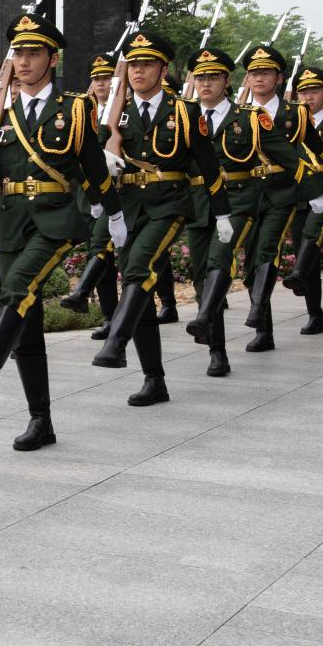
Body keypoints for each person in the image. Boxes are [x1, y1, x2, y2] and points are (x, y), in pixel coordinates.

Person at [0, 12, 124, 450]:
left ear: (52, 58)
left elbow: (93, 168)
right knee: (26, 322)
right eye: (18, 53)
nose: (24, 61)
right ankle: (40, 420)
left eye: (33, 53)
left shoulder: (76, 108)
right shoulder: (1, 113)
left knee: (17, 287)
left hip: (56, 220)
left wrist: (115, 215)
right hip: (13, 223)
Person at [90, 31, 228, 407]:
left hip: (169, 205)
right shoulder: (115, 113)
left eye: (147, 64)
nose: (138, 71)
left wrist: (223, 213)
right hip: (128, 208)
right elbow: (91, 158)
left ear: (163, 70)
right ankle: (154, 380)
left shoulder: (185, 112)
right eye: (133, 64)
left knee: (139, 266)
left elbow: (209, 167)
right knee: (140, 287)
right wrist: (103, 167)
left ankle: (116, 342)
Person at [232, 44, 323, 352]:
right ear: (247, 79)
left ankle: (258, 311)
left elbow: (317, 148)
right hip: (248, 192)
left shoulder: (295, 113)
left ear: (279, 78)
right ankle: (265, 331)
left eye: (266, 73)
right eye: (253, 73)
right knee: (250, 261)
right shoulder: (235, 113)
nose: (259, 78)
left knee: (267, 249)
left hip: (284, 190)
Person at [181, 47, 259, 377]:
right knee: (201, 276)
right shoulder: (183, 118)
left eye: (213, 77)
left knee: (219, 258)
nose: (205, 83)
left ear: (227, 81)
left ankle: (206, 326)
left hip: (238, 200)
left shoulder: (248, 118)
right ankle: (217, 349)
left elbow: (282, 154)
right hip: (199, 202)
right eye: (200, 77)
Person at [59, 50, 122, 340]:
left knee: (103, 247)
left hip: (120, 193)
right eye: (96, 78)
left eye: (106, 77)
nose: (100, 83)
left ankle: (87, 295)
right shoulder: (83, 112)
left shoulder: (126, 109)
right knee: (101, 258)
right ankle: (110, 316)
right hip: (90, 195)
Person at [280, 66, 323, 335]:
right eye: (303, 92)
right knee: (307, 251)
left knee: (312, 235)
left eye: (314, 91)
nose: (308, 97)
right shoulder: (289, 121)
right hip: (299, 193)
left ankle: (298, 274)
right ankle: (315, 315)